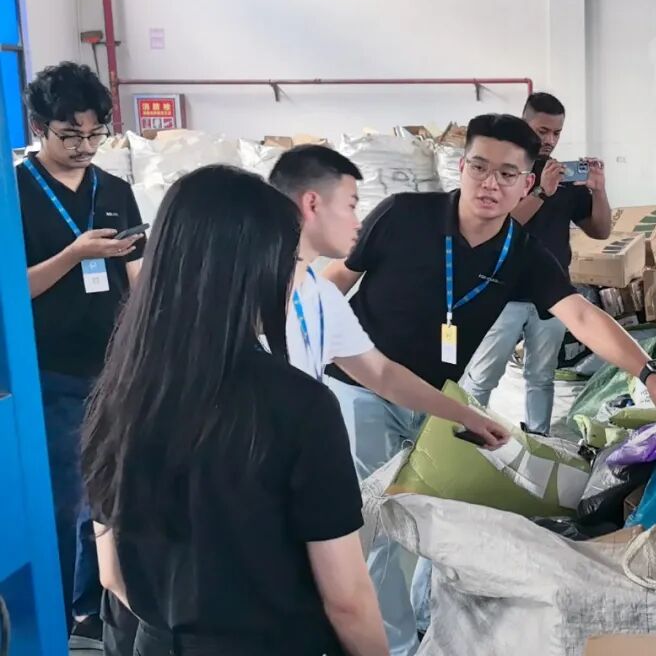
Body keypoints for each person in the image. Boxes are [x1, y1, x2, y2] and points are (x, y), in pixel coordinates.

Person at [322, 113, 656, 655]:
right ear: (461, 166)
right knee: (382, 524)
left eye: (507, 174)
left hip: (437, 399)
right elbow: (338, 278)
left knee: (439, 510)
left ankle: (431, 622)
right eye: (479, 167)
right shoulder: (402, 215)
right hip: (361, 386)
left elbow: (582, 316)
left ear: (528, 184)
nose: (490, 184)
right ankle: (396, 647)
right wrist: (294, 340)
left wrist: (649, 373)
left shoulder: (520, 252)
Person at [82, 165, 390, 656]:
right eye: (288, 259)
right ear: (254, 268)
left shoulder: (123, 389)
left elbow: (111, 575)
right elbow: (347, 600)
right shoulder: (300, 406)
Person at [17, 61, 146, 639]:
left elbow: (138, 278)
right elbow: (12, 290)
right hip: (48, 371)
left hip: (113, 369)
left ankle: (95, 609)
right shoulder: (15, 194)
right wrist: (74, 254)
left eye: (96, 135)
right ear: (38, 127)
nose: (85, 147)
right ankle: (56, 613)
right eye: (71, 135)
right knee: (62, 495)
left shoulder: (114, 190)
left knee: (111, 492)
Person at [268, 144, 511, 450]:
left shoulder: (322, 301)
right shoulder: (254, 291)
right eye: (350, 206)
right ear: (312, 204)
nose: (357, 223)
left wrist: (467, 416)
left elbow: (383, 374)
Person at [460, 92, 612, 434]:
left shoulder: (565, 177)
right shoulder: (507, 172)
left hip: (552, 295)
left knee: (541, 377)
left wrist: (598, 190)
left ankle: (539, 439)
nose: (549, 140)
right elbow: (501, 224)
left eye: (556, 133)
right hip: (502, 291)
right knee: (483, 375)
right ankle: (463, 437)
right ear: (524, 122)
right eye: (542, 130)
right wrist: (541, 192)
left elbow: (600, 231)